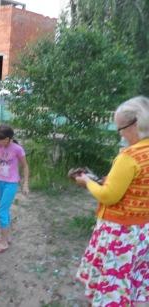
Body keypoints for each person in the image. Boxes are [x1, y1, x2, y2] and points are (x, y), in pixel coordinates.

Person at [74, 96, 149, 306]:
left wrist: (87, 182)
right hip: (142, 230)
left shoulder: (129, 156)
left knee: (112, 279)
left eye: (121, 128)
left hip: (120, 232)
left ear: (135, 124)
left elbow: (108, 196)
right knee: (131, 274)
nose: (121, 134)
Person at [0, 124, 29, 253]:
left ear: (7, 139)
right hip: (0, 181)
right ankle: (5, 236)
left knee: (1, 212)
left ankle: (4, 242)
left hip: (11, 183)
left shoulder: (17, 149)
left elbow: (25, 166)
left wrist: (25, 183)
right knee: (4, 211)